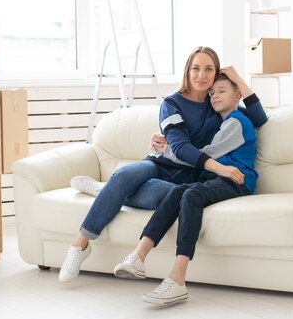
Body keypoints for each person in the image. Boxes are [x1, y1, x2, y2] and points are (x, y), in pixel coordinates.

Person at [58, 46, 267, 283]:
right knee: (123, 177)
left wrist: (238, 79)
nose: (202, 75)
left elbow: (259, 117)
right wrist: (213, 166)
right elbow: (178, 147)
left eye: (209, 69)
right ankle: (79, 246)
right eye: (196, 68)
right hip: (161, 163)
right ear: (187, 71)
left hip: (188, 176)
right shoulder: (172, 103)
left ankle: (105, 191)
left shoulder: (217, 102)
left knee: (169, 199)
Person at [112, 73, 258, 305]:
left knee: (191, 195)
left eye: (222, 91)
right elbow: (198, 152)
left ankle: (178, 278)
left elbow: (205, 154)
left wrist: (167, 150)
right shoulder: (223, 122)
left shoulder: (237, 122)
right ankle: (138, 256)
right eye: (212, 93)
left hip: (238, 180)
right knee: (175, 192)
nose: (215, 96)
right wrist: (169, 145)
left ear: (237, 95)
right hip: (215, 179)